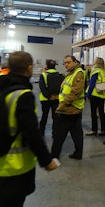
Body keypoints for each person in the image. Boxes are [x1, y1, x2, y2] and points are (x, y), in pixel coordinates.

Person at [0, 51, 59, 207]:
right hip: (12, 167)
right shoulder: (23, 95)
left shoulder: (3, 87)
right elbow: (31, 132)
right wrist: (46, 160)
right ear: (29, 68)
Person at [51, 55, 85, 160]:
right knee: (76, 133)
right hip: (73, 109)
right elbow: (66, 90)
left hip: (69, 108)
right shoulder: (71, 73)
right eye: (64, 63)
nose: (66, 64)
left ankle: (54, 156)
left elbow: (76, 92)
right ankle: (78, 153)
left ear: (75, 62)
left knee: (59, 134)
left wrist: (63, 104)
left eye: (68, 62)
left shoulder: (78, 73)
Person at [39, 59, 64, 136]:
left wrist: (49, 96)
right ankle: (55, 132)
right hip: (56, 99)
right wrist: (56, 96)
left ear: (47, 66)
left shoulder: (43, 75)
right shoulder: (60, 75)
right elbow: (62, 88)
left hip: (45, 99)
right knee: (55, 117)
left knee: (44, 116)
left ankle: (41, 132)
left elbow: (42, 88)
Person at [85, 57, 105, 136]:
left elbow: (92, 83)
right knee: (101, 112)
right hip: (102, 94)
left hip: (94, 94)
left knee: (93, 112)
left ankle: (94, 130)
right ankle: (103, 130)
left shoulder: (95, 70)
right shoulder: (104, 71)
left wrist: (88, 94)